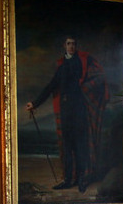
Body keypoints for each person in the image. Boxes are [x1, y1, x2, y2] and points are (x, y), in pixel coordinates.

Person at [25, 36, 109, 193]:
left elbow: (98, 79)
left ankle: (82, 180)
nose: (71, 46)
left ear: (76, 46)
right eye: (69, 44)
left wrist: (84, 89)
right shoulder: (62, 66)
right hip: (66, 112)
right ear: (64, 45)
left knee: (81, 147)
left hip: (80, 111)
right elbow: (51, 86)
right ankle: (69, 180)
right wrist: (35, 103)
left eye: (73, 44)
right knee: (68, 147)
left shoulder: (82, 61)